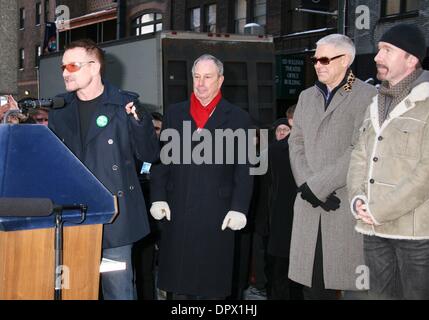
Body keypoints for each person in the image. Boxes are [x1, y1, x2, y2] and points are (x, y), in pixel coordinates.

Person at [48, 39, 159, 300]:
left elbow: (150, 155)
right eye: (63, 66)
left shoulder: (124, 106)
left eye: (73, 66)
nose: (65, 72)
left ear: (95, 67)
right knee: (74, 290)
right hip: (73, 218)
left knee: (117, 291)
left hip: (115, 221)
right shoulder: (60, 109)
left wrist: (141, 123)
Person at [150, 54, 254, 299]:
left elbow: (245, 167)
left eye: (207, 77)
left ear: (220, 80)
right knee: (179, 286)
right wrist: (158, 197)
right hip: (178, 212)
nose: (201, 83)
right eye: (197, 77)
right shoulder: (175, 114)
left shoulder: (238, 117)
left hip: (217, 213)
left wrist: (239, 207)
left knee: (212, 287)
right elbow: (162, 160)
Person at [287, 34, 377, 299]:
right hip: (308, 204)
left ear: (346, 60)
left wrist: (320, 187)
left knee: (352, 286)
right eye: (315, 58)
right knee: (312, 288)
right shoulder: (306, 97)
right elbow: (296, 143)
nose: (318, 64)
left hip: (344, 205)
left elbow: (360, 147)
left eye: (325, 59)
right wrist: (309, 187)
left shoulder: (368, 96)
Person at [347, 24, 429, 300]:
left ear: (411, 59)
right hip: (371, 228)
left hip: (416, 235)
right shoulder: (376, 101)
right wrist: (357, 198)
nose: (376, 57)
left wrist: (379, 209)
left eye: (387, 50)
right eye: (379, 49)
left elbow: (426, 172)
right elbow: (360, 154)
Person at [266, 116, 303, 300]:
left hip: (296, 219)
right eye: (278, 130)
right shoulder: (273, 151)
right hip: (281, 219)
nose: (281, 133)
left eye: (284, 130)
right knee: (282, 270)